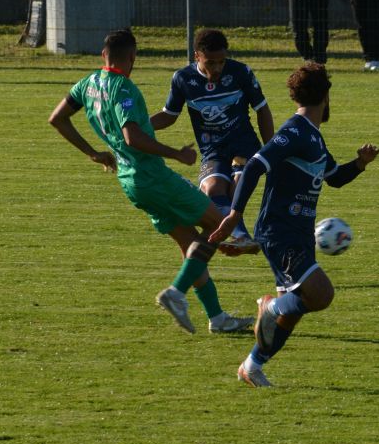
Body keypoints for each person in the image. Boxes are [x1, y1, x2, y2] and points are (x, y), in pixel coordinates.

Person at [48, 29, 254, 335]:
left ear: (103, 54)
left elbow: (57, 118)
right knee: (218, 224)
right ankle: (176, 292)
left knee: (190, 244)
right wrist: (176, 154)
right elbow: (133, 137)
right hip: (153, 177)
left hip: (130, 182)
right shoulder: (124, 88)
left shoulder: (87, 83)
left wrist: (93, 153)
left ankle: (217, 318)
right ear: (133, 56)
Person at [208, 62, 379, 387]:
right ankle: (269, 306)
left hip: (298, 234)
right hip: (280, 231)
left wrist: (360, 163)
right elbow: (255, 165)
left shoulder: (313, 137)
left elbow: (334, 178)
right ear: (326, 96)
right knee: (321, 294)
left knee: (292, 313)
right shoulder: (295, 131)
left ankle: (251, 367)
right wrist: (234, 214)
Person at [152, 29, 275, 255]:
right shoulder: (183, 79)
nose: (217, 68)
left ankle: (239, 236)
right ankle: (241, 238)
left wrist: (270, 152)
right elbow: (169, 115)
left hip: (244, 145)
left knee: (237, 186)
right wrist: (138, 127)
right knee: (212, 189)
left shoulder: (240, 72)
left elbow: (262, 109)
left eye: (221, 62)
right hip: (213, 149)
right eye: (211, 62)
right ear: (197, 56)